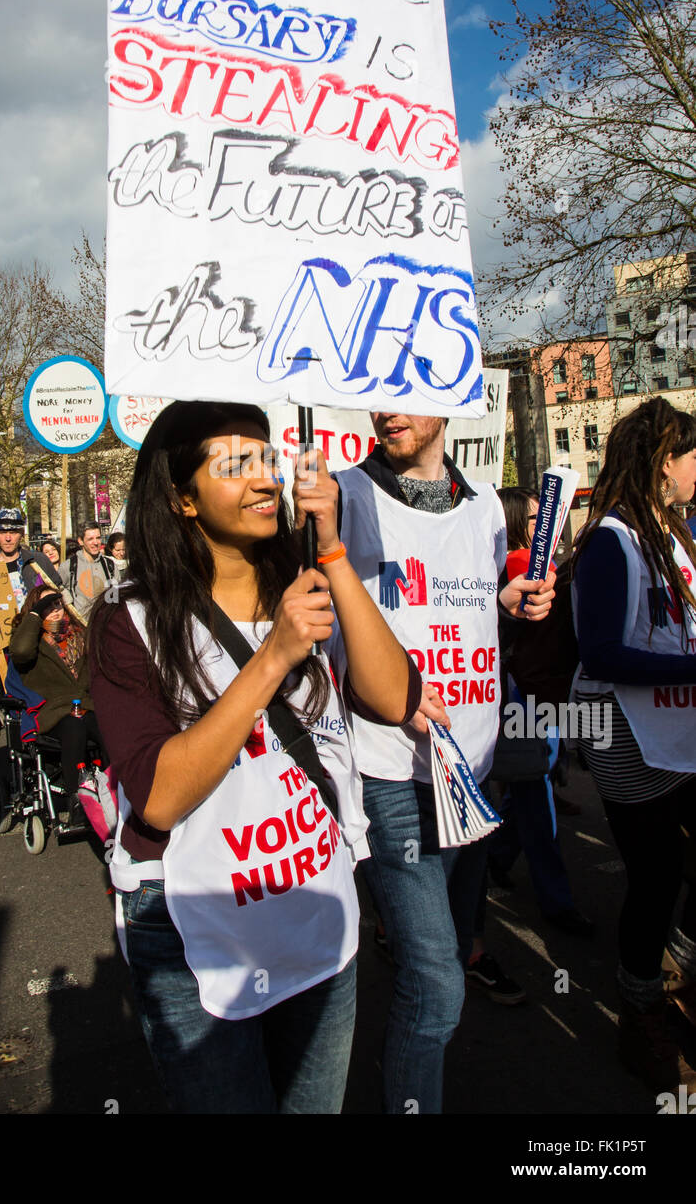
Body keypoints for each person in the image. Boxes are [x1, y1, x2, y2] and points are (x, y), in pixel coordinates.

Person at [88, 401, 445, 1114]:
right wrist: (275, 655)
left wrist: (332, 547)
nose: (264, 480)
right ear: (179, 497)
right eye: (234, 465)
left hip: (313, 904)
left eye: (266, 459)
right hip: (195, 922)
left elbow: (397, 694)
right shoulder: (127, 618)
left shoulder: (307, 579)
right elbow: (158, 796)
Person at [334, 412, 555, 1113]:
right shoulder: (343, 496)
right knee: (435, 983)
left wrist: (506, 602)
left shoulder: (487, 506)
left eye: (407, 392)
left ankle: (409, 1070)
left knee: (447, 961)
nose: (387, 411)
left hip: (470, 768)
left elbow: (456, 603)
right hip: (391, 771)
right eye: (377, 395)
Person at [571, 397, 696, 1090]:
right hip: (624, 733)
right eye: (692, 456)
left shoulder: (672, 534)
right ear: (662, 463)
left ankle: (669, 966)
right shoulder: (613, 540)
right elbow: (604, 653)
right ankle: (640, 1005)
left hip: (678, 724)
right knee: (653, 878)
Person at [488, 487, 593, 936]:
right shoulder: (519, 563)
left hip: (533, 698)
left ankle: (495, 858)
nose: (544, 527)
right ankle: (557, 902)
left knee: (529, 791)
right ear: (515, 524)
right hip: (526, 698)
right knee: (537, 801)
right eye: (536, 520)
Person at [8, 585, 101, 824]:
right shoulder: (30, 639)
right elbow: (19, 651)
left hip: (87, 703)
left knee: (113, 727)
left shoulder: (79, 632)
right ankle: (76, 798)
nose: (55, 611)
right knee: (74, 726)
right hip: (54, 709)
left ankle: (116, 788)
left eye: (57, 604)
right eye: (46, 607)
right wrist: (35, 615)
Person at [0, 508, 63, 610]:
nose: (8, 538)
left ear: (21, 534)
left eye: (13, 532)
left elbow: (57, 590)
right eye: (3, 532)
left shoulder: (39, 561)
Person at [60, 523, 117, 620]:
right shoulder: (69, 566)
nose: (96, 542)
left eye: (98, 538)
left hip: (105, 626)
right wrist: (66, 598)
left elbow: (116, 596)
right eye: (90, 539)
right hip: (81, 627)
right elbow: (57, 588)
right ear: (81, 541)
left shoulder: (110, 565)